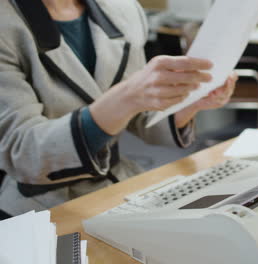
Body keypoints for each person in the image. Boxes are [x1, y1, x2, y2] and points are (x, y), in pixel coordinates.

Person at [0, 0, 238, 215]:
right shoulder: (6, 24)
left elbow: (141, 118)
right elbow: (22, 150)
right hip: (42, 207)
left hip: (119, 187)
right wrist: (127, 97)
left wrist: (190, 102)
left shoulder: (123, 10)